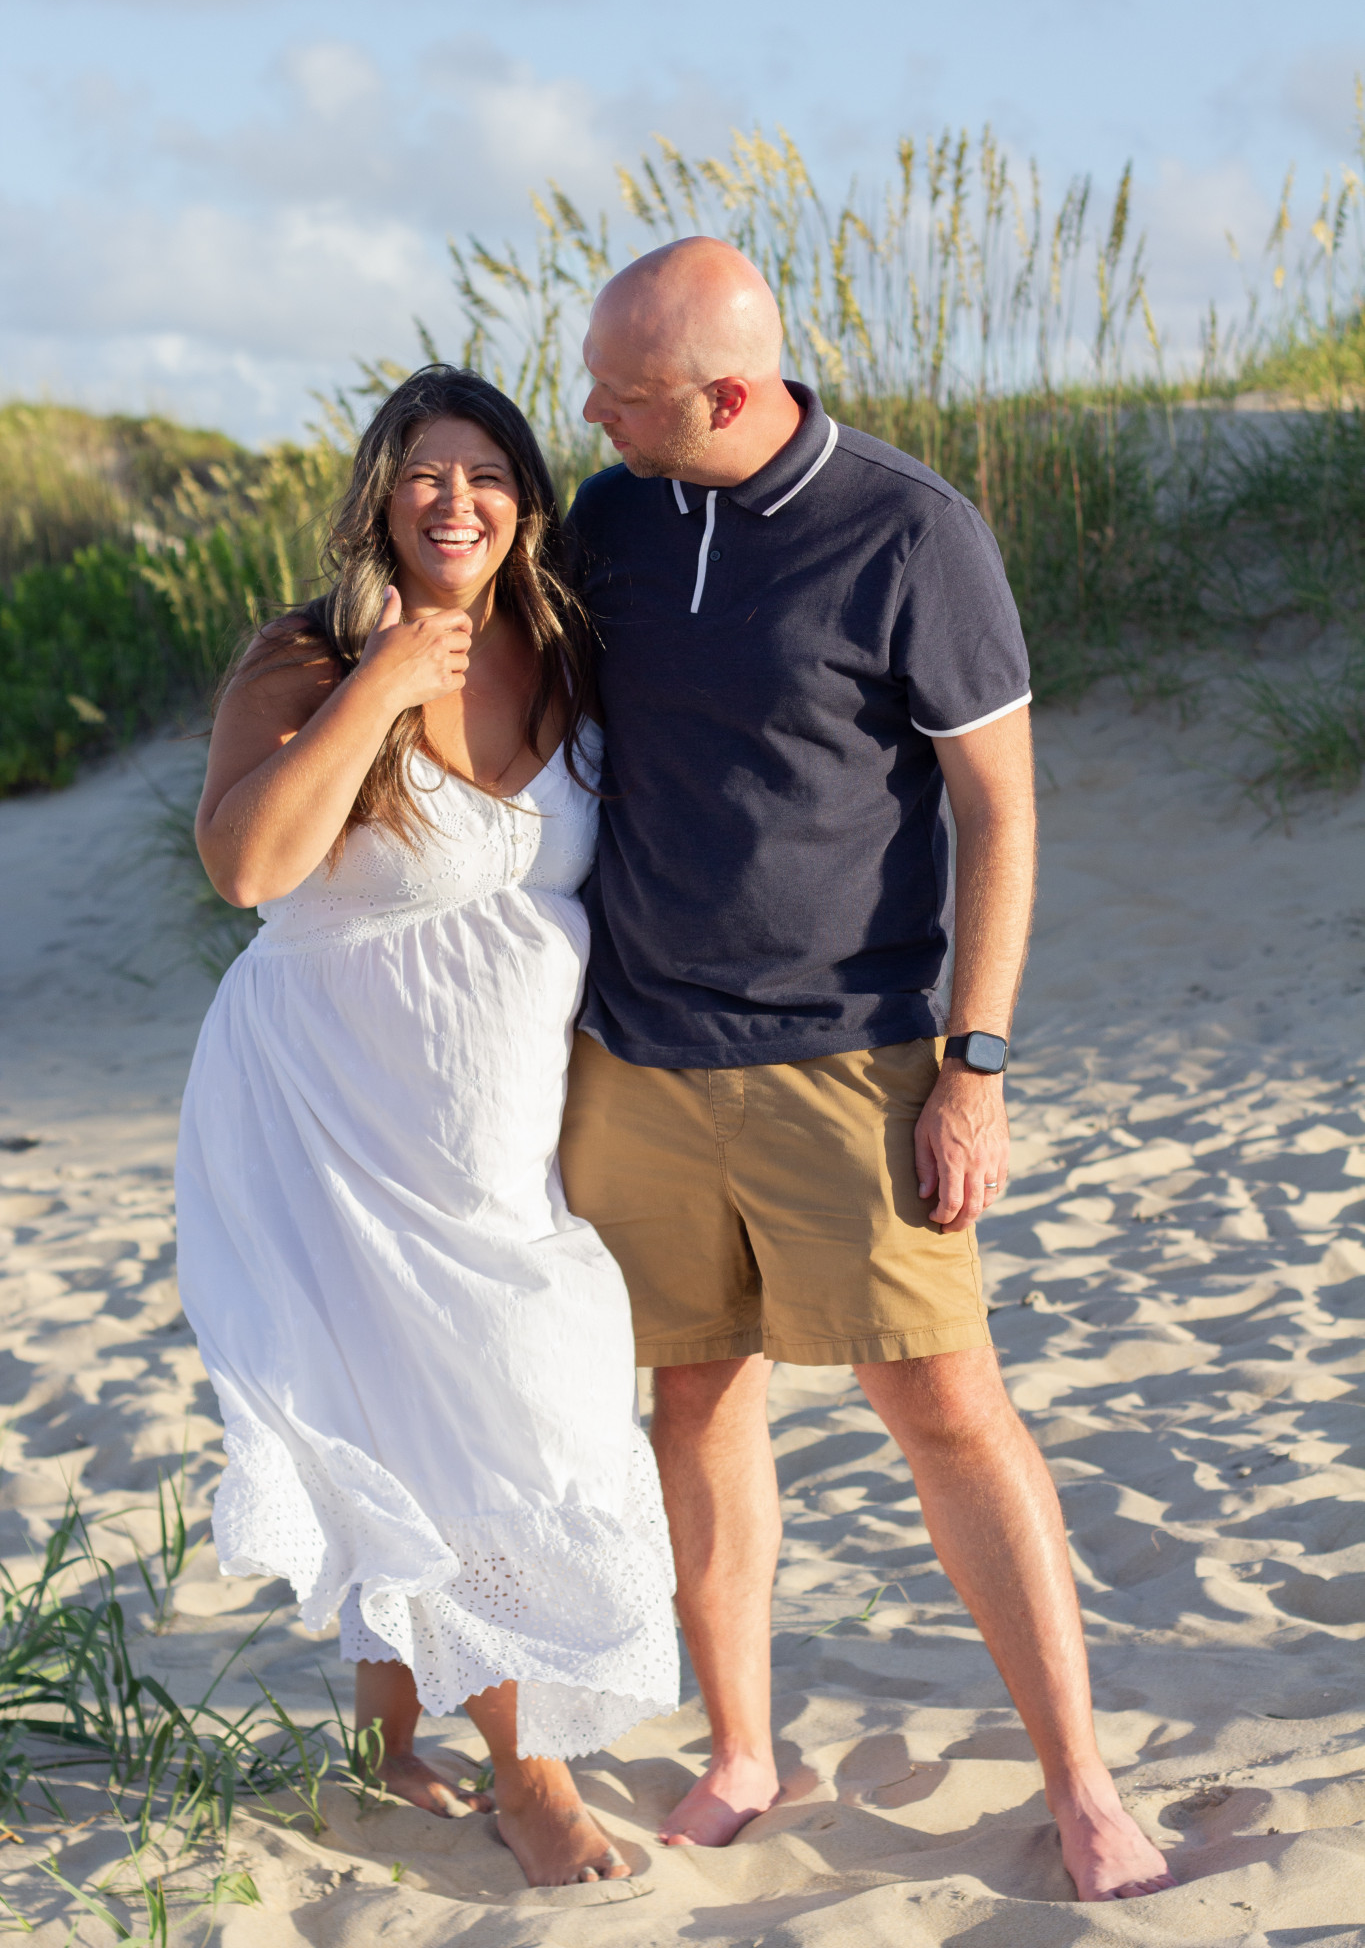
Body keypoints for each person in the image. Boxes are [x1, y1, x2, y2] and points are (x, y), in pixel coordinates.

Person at [557, 238, 1174, 1902]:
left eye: (622, 394)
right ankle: (742, 1752)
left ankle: (1082, 1786)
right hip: (637, 1056)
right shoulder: (612, 515)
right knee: (694, 1398)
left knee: (946, 1407)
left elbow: (1000, 812)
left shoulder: (911, 531)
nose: (591, 416)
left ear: (728, 394)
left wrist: (973, 1068)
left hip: (851, 1056)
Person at [175, 366, 678, 1889]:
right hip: (327, 1113)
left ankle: (390, 1737)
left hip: (498, 1141)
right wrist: (381, 685)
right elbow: (246, 869)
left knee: (495, 1396)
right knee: (464, 1415)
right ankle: (531, 1779)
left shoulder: (569, 652)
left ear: (527, 497)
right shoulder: (310, 653)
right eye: (423, 475)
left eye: (486, 474)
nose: (455, 502)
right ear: (380, 499)